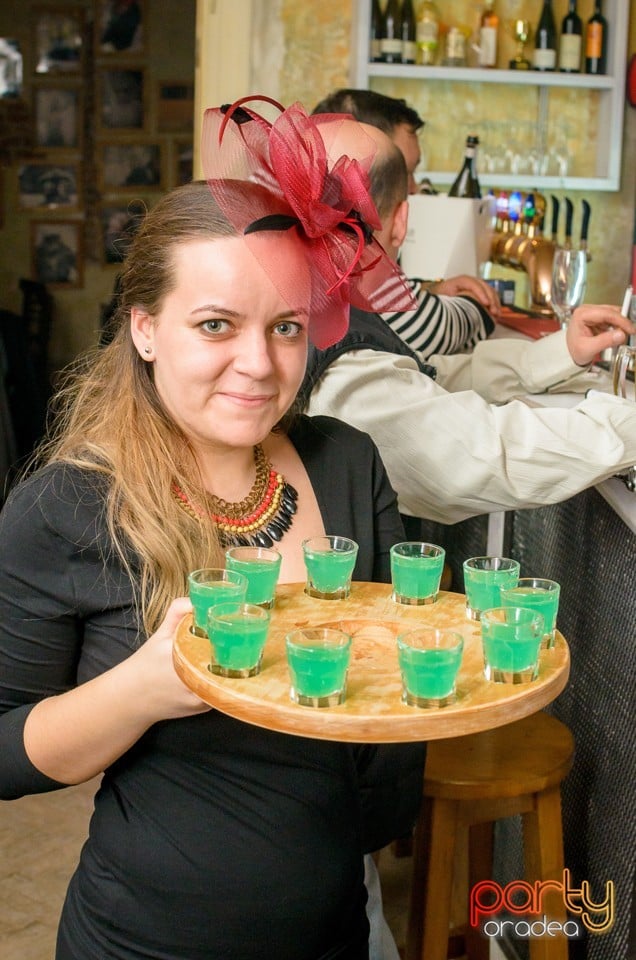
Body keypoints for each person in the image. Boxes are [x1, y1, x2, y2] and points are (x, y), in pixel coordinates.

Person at [0, 99, 424, 960]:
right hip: (145, 943)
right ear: (146, 330)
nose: (259, 364)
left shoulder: (349, 463)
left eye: (287, 327)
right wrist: (146, 688)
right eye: (215, 325)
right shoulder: (68, 506)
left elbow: (393, 688)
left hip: (338, 928)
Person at [302, 116, 636, 525]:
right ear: (403, 220)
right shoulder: (342, 361)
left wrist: (561, 352)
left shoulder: (319, 308)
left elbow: (430, 376)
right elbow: (486, 454)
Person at [312, 88, 501, 359]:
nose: (410, 187)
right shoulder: (354, 252)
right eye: (401, 171)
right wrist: (478, 306)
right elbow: (431, 332)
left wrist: (427, 289)